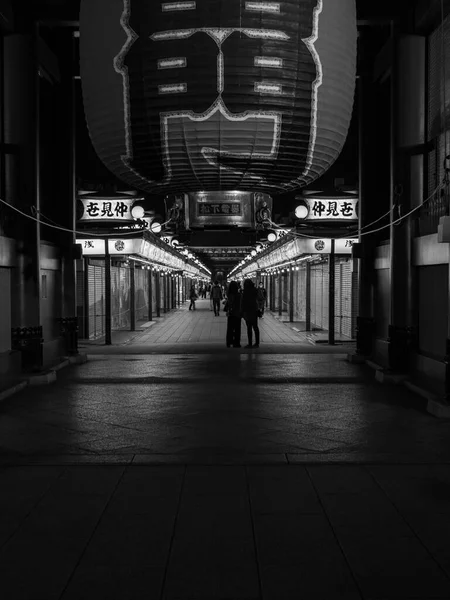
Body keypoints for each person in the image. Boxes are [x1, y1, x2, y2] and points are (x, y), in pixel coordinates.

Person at [241, 279, 260, 348]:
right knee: (255, 327)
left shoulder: (245, 292)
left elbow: (243, 302)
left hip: (248, 311)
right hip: (254, 310)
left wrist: (242, 311)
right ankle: (257, 343)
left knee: (249, 327)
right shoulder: (255, 290)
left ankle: (250, 343)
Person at [225, 281, 242, 348]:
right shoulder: (239, 295)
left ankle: (229, 342)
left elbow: (229, 304)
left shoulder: (229, 295)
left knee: (230, 328)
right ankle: (236, 343)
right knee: (237, 329)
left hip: (231, 313)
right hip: (238, 313)